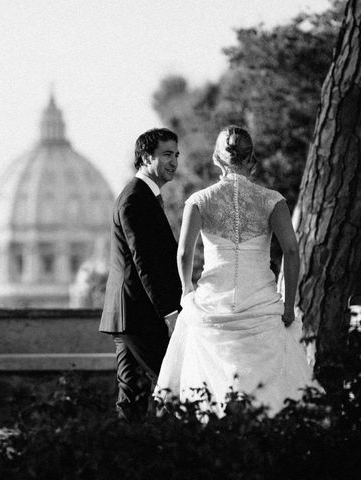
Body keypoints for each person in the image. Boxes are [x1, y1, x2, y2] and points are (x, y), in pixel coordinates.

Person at [155, 125, 317, 416]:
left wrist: (187, 292)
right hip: (261, 305)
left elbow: (183, 254)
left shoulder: (199, 201)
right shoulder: (272, 200)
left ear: (217, 159)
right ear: (251, 158)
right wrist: (289, 304)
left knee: (205, 394)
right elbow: (292, 252)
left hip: (213, 304)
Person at [99, 128, 183, 421]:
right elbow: (144, 261)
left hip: (128, 314)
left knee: (131, 395)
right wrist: (170, 311)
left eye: (176, 155)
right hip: (138, 314)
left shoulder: (142, 195)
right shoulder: (136, 198)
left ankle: (128, 456)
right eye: (166, 154)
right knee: (175, 383)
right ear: (146, 157)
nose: (174, 162)